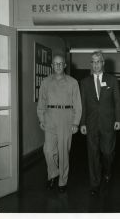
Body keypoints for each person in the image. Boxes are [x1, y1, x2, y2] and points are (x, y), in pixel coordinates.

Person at [37, 54, 82, 193]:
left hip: (66, 118)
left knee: (63, 152)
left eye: (60, 63)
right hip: (50, 117)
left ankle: (62, 181)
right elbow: (42, 102)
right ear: (52, 66)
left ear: (64, 65)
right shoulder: (45, 82)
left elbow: (78, 105)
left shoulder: (73, 82)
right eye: (55, 63)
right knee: (48, 150)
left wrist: (75, 122)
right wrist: (41, 119)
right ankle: (53, 173)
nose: (57, 66)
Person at [80, 51, 120, 196]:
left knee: (108, 153)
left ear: (103, 63)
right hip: (91, 124)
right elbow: (83, 104)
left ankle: (108, 170)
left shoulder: (112, 80)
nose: (96, 65)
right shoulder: (85, 82)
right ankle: (95, 184)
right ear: (91, 64)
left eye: (98, 61)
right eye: (93, 62)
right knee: (92, 155)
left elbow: (117, 102)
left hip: (108, 123)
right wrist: (83, 123)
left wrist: (118, 119)